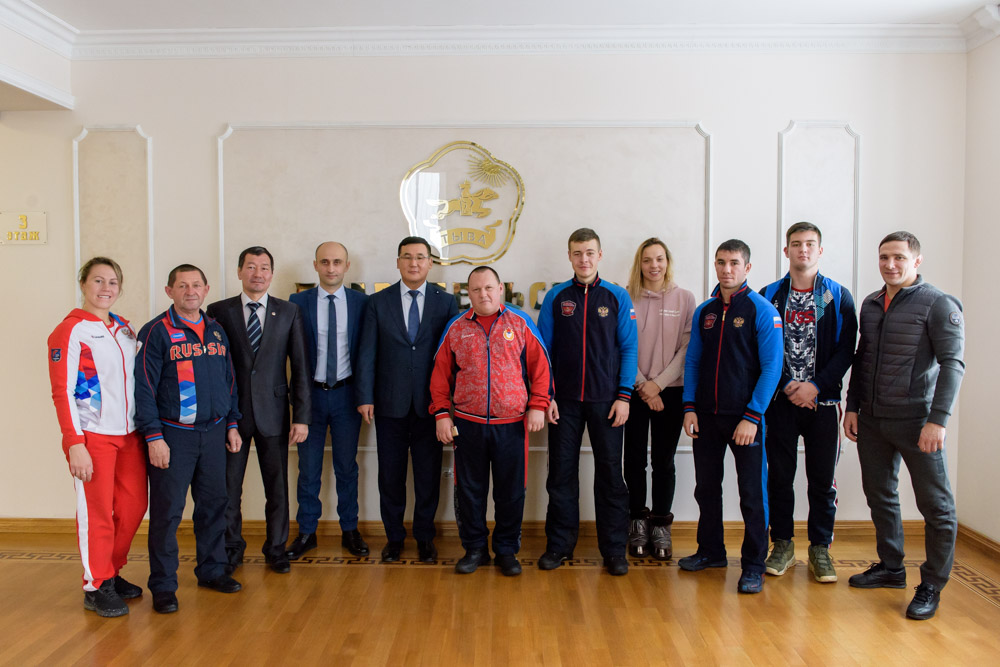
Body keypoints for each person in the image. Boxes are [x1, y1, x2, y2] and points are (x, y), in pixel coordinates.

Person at [844, 231, 964, 620]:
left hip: (918, 422)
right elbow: (862, 358)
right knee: (880, 495)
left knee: (936, 506)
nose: (890, 264)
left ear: (917, 261)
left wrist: (938, 421)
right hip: (873, 420)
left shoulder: (939, 303)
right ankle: (891, 568)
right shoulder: (871, 304)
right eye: (884, 257)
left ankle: (932, 584)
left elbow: (953, 364)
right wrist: (852, 407)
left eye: (898, 257)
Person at [429, 266, 553, 576]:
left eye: (488, 288)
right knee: (469, 491)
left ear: (500, 290)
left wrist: (538, 405)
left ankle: (507, 551)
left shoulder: (521, 323)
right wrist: (441, 414)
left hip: (512, 425)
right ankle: (475, 549)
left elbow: (541, 368)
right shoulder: (456, 327)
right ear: (468, 293)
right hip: (467, 425)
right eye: (476, 289)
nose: (483, 294)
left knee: (511, 492)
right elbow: (440, 375)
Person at [135, 264, 243, 614]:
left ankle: (212, 571)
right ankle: (164, 586)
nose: (190, 291)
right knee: (167, 513)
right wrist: (153, 436)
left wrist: (232, 424)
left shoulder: (216, 331)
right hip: (173, 437)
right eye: (182, 286)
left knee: (214, 507)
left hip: (214, 434)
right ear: (169, 291)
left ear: (206, 290)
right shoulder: (155, 332)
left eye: (196, 285)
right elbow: (144, 389)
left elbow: (229, 381)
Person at [678, 239, 782, 594]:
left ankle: (754, 565)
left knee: (752, 494)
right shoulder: (705, 311)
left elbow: (772, 368)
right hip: (706, 417)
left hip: (745, 420)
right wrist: (689, 407)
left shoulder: (761, 310)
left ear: (747, 268)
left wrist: (752, 416)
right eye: (721, 262)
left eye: (734, 263)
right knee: (706, 488)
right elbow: (693, 361)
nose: (727, 269)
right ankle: (711, 552)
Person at [46, 257, 148, 617]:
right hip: (92, 437)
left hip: (130, 435)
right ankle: (96, 584)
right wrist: (74, 443)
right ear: (83, 284)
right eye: (98, 281)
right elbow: (62, 392)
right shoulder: (70, 331)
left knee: (134, 507)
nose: (106, 288)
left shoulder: (125, 329)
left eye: (112, 282)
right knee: (97, 512)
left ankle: (111, 571)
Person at [536, 228, 638, 576]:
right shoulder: (556, 296)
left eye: (590, 252)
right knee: (560, 476)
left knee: (610, 476)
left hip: (607, 402)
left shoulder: (617, 296)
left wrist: (624, 396)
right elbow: (543, 351)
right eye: (577, 253)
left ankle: (614, 550)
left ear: (600, 255)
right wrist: (547, 395)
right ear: (569, 256)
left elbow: (629, 348)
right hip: (563, 403)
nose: (584, 259)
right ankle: (559, 545)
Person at [760, 222, 857, 583]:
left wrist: (814, 386)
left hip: (823, 404)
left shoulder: (836, 296)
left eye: (810, 244)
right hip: (780, 403)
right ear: (786, 250)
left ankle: (820, 549)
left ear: (820, 250)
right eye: (796, 244)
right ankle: (782, 545)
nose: (803, 249)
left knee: (822, 481)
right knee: (779, 478)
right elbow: (762, 349)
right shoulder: (770, 295)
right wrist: (788, 385)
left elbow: (846, 349)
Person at [205, 246, 311, 574]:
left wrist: (301, 417)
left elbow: (300, 367)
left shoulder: (288, 311)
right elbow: (213, 367)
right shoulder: (218, 311)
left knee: (276, 488)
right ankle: (231, 548)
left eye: (264, 267)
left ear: (271, 274)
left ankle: (276, 548)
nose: (258, 273)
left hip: (275, 413)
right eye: (251, 267)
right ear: (239, 272)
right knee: (229, 488)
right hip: (232, 416)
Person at [356, 236, 459, 563]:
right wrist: (365, 396)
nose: (414, 263)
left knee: (428, 476)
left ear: (430, 263)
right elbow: (367, 352)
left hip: (431, 406)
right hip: (389, 404)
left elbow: (452, 356)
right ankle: (394, 538)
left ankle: (425, 538)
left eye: (420, 257)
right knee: (391, 476)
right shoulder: (377, 302)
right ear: (398, 262)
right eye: (407, 257)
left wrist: (450, 404)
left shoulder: (446, 302)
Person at [286, 242, 370, 560]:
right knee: (308, 470)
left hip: (348, 397)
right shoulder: (298, 302)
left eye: (337, 262)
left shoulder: (362, 303)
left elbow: (367, 353)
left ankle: (350, 530)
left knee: (347, 468)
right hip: (310, 397)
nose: (331, 268)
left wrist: (365, 396)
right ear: (315, 265)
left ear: (346, 266)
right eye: (325, 262)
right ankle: (307, 532)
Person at [623, 238, 695, 561]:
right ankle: (637, 523)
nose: (654, 265)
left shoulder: (685, 298)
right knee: (634, 461)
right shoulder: (625, 297)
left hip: (671, 392)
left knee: (663, 462)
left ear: (668, 262)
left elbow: (687, 348)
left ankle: (661, 527)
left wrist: (658, 385)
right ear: (639, 264)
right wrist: (643, 385)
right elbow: (621, 346)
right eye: (647, 260)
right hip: (634, 391)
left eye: (660, 259)